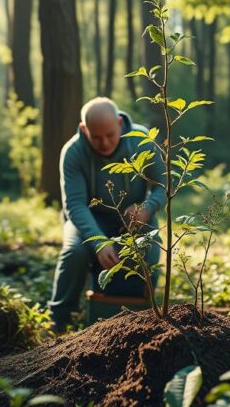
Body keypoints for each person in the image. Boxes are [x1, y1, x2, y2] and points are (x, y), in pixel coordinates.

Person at [47, 97, 166, 331]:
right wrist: (99, 242)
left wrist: (148, 207)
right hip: (88, 220)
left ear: (120, 123)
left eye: (110, 135)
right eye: (96, 137)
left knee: (148, 254)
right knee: (75, 252)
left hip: (135, 219)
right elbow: (75, 205)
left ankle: (141, 319)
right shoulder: (73, 152)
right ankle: (58, 320)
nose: (104, 143)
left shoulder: (143, 141)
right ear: (84, 129)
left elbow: (164, 185)